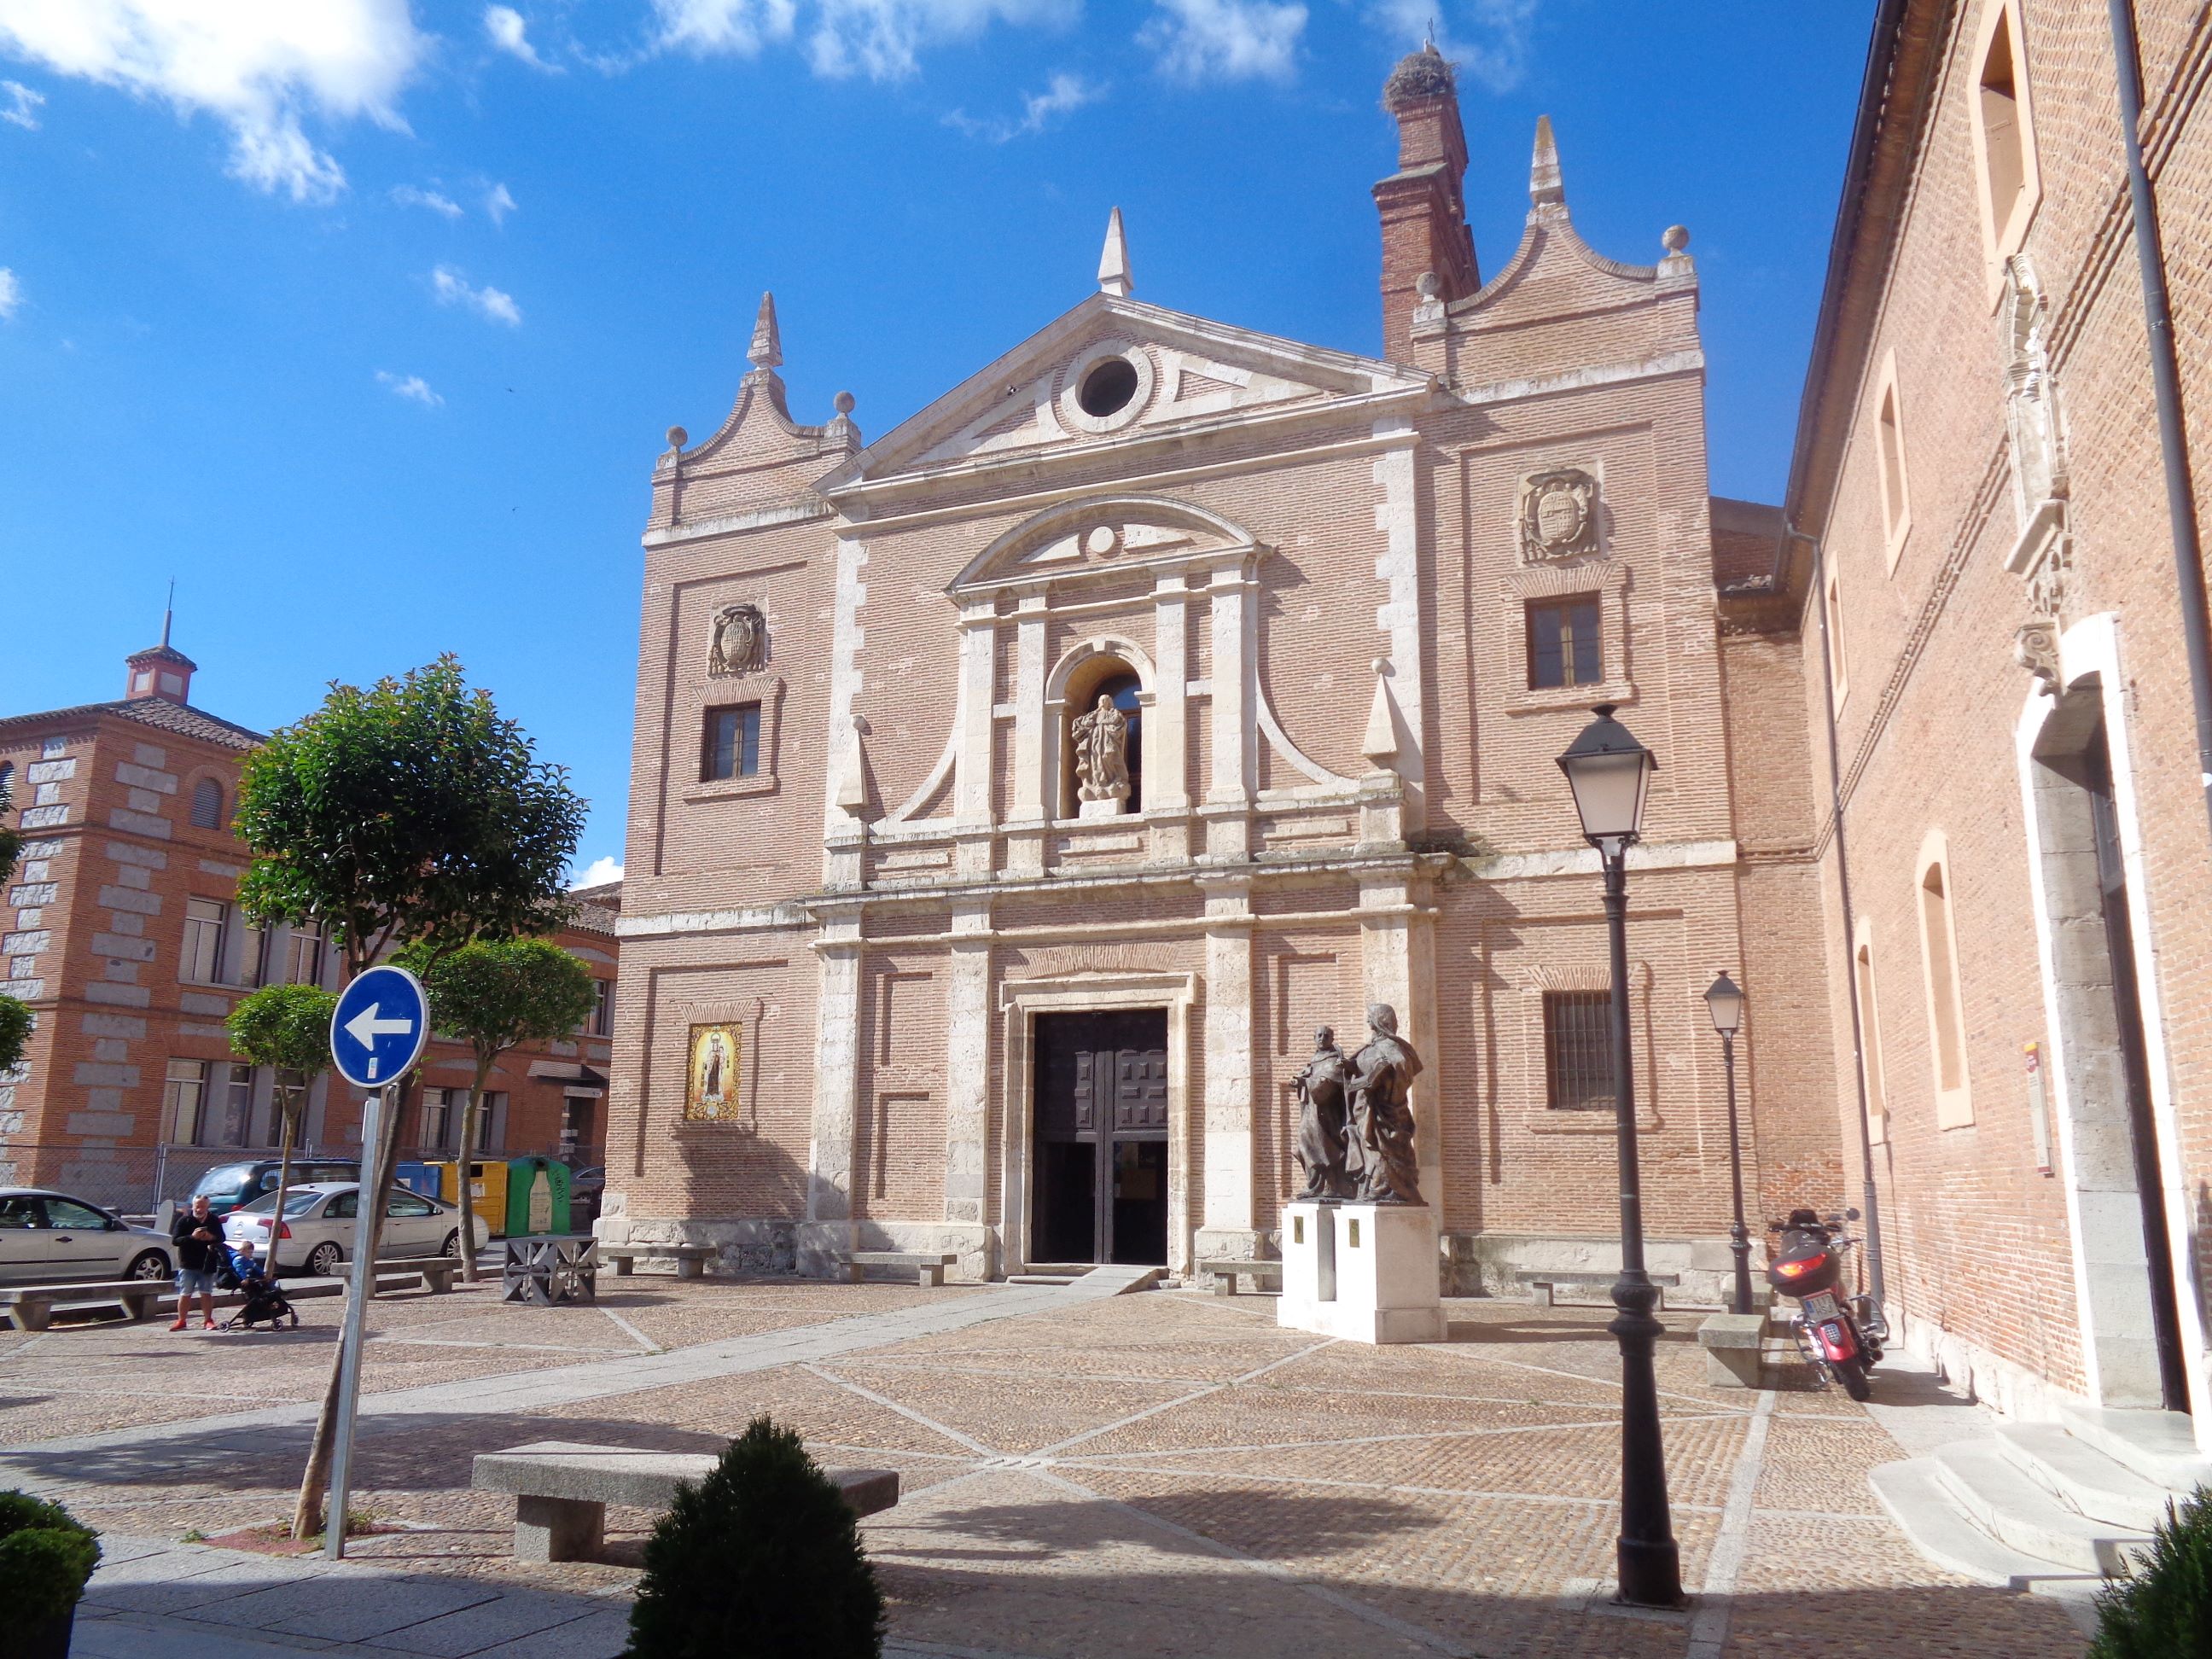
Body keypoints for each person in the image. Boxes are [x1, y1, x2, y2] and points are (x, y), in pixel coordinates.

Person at [169, 1195, 224, 1331]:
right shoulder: (184, 1220)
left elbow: (222, 1238)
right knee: (185, 1293)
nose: (199, 1209)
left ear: (208, 1207)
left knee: (206, 1293)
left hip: (207, 1262)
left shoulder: (213, 1220)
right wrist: (192, 1237)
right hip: (188, 1263)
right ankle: (181, 1320)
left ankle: (208, 1320)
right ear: (193, 1206)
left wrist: (211, 1237)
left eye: (203, 1207)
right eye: (197, 1206)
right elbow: (175, 1240)